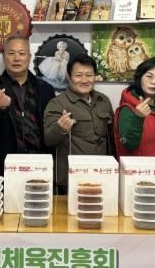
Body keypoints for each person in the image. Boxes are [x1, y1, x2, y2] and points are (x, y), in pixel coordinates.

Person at [0, 34, 55, 174]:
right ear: (4, 57)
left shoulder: (45, 88)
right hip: (4, 163)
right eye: (11, 53)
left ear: (29, 57)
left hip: (39, 163)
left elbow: (50, 126)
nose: (17, 58)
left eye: (22, 53)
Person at [43, 54, 114, 190]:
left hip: (102, 173)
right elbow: (48, 140)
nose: (84, 80)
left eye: (89, 75)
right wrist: (61, 129)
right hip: (72, 177)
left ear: (95, 76)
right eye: (78, 75)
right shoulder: (57, 103)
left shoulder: (104, 101)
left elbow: (111, 137)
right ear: (69, 77)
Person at [114, 57, 155, 158]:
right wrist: (138, 117)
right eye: (149, 76)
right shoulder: (128, 107)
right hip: (140, 166)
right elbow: (128, 144)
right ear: (140, 78)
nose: (154, 82)